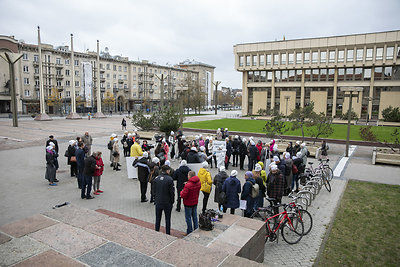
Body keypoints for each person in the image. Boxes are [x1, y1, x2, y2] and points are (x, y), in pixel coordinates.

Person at [153, 165, 175, 235]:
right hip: (167, 202)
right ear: (167, 170)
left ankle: (156, 230)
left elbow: (153, 190)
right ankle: (167, 233)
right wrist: (172, 201)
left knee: (158, 218)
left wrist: (155, 198)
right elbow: (172, 192)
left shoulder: (156, 179)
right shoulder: (170, 179)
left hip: (158, 201)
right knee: (167, 218)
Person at [180, 171, 201, 235]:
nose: (187, 176)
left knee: (188, 217)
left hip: (188, 203)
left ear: (190, 176)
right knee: (194, 216)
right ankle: (196, 229)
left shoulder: (188, 185)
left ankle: (189, 231)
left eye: (188, 175)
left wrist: (181, 191)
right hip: (195, 202)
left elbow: (183, 195)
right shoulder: (198, 182)